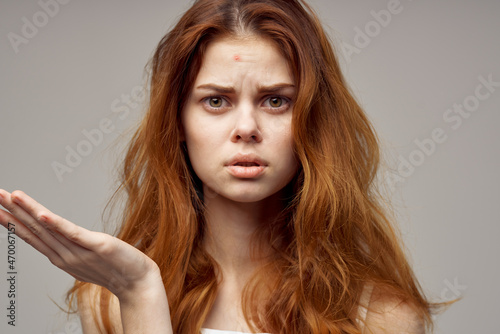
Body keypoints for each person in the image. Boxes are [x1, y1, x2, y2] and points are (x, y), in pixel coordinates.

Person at [0, 0, 451, 333]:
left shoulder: (382, 318)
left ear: (312, 120)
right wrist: (141, 295)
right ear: (177, 121)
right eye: (216, 101)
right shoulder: (109, 300)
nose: (246, 128)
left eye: (276, 101)